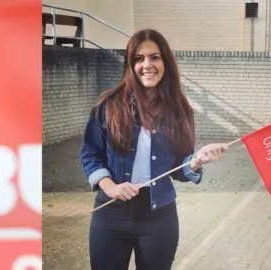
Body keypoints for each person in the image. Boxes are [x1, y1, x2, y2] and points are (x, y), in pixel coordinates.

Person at [80, 29, 229, 270]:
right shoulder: (109, 105)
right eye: (139, 59)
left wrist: (197, 161)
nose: (147, 65)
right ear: (130, 65)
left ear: (165, 62)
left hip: (159, 216)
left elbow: (180, 166)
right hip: (111, 214)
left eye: (155, 57)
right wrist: (111, 187)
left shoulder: (180, 110)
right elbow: (90, 154)